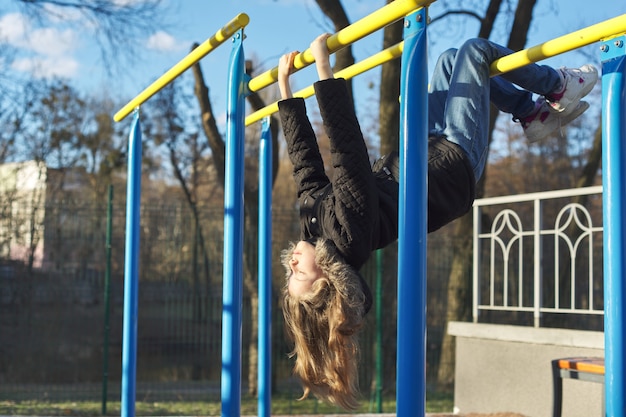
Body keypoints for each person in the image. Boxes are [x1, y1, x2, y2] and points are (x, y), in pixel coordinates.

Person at [277, 33, 597, 410]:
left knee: (448, 61)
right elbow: (348, 154)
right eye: (300, 274)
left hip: (423, 152)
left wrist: (285, 91)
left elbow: (305, 167)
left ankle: (531, 114)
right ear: (329, 277)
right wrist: (325, 71)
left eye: (290, 273)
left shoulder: (315, 229)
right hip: (451, 169)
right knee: (475, 53)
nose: (292, 263)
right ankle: (557, 86)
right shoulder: (350, 234)